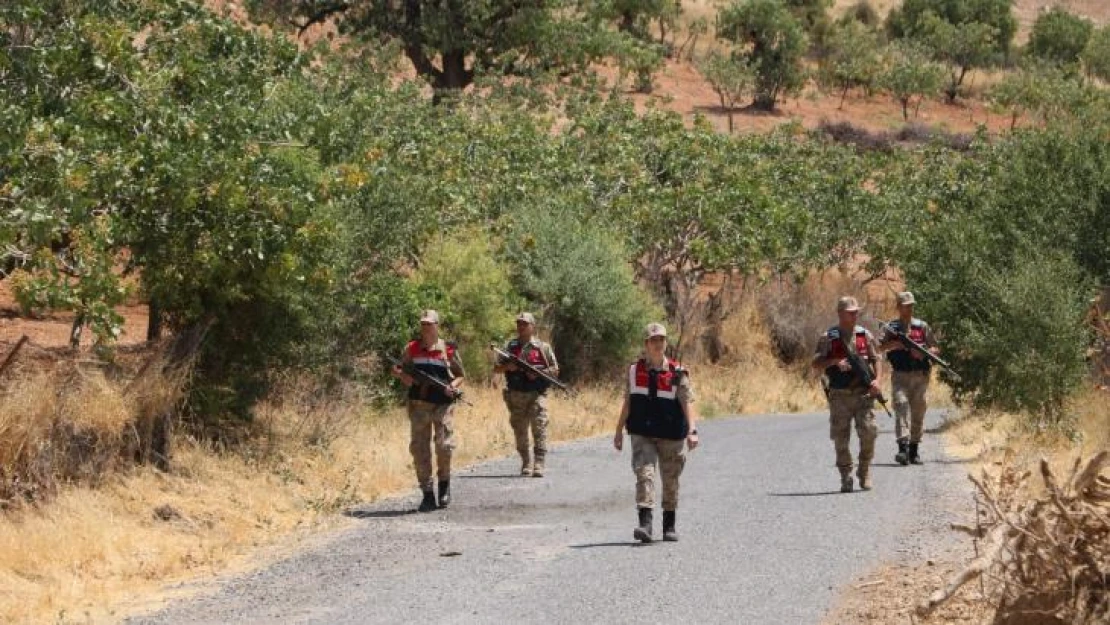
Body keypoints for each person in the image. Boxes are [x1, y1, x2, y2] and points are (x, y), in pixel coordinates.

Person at [613, 322, 699, 543]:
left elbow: (687, 402)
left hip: (671, 434)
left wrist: (692, 430)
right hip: (643, 432)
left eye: (661, 340)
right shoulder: (634, 371)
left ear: (666, 343)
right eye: (653, 340)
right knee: (645, 474)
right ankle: (645, 524)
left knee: (670, 480)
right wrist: (618, 430)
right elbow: (628, 401)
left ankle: (669, 525)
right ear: (646, 344)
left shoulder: (677, 373)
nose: (657, 344)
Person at [391, 310, 465, 512]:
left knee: (444, 446)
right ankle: (427, 494)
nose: (426, 327)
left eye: (429, 324)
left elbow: (460, 375)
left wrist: (453, 387)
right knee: (419, 449)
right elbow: (402, 371)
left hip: (443, 404)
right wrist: (401, 375)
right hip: (419, 405)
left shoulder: (448, 349)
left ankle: (444, 485)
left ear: (437, 325)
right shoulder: (411, 348)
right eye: (423, 324)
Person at [811, 296, 883, 493]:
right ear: (840, 314)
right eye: (851, 312)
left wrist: (877, 381)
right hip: (839, 395)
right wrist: (834, 362)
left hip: (863, 394)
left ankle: (865, 469)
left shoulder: (864, 335)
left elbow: (877, 358)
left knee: (869, 432)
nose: (855, 315)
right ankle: (845, 475)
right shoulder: (829, 337)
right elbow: (815, 363)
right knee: (841, 437)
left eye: (856, 312)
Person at [493, 312, 560, 477]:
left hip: (537, 393)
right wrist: (508, 367)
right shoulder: (510, 347)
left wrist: (538, 372)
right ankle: (526, 461)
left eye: (525, 324)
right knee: (520, 430)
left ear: (532, 326)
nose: (521, 327)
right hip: (516, 395)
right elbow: (496, 368)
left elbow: (555, 370)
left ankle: (539, 462)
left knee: (539, 426)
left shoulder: (542, 347)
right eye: (519, 324)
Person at [879, 291, 940, 466]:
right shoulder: (891, 328)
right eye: (905, 305)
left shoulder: (922, 326)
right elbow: (878, 347)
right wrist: (896, 344)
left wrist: (923, 351)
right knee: (901, 405)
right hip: (900, 375)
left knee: (919, 410)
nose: (909, 308)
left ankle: (914, 449)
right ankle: (902, 448)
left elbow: (935, 348)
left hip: (920, 376)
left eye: (911, 305)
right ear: (898, 307)